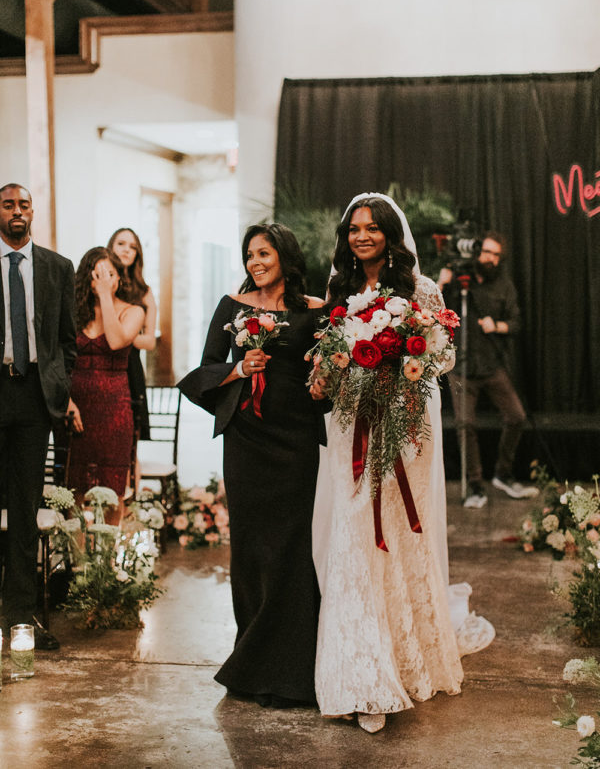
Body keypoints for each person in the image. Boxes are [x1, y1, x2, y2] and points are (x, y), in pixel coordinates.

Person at [311, 193, 485, 734]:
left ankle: (402, 663)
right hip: (349, 432)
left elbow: (444, 355)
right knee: (354, 537)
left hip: (403, 431)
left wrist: (402, 359)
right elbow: (325, 356)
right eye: (354, 228)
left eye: (372, 228)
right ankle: (359, 675)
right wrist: (329, 369)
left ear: (389, 233)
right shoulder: (338, 291)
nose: (362, 236)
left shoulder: (419, 289)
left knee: (395, 534)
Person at [178, 223, 326, 708]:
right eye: (249, 255)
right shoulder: (231, 306)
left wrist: (326, 389)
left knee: (291, 548)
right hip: (246, 442)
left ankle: (292, 670)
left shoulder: (316, 312)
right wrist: (239, 368)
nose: (255, 262)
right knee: (251, 548)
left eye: (264, 253)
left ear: (285, 256)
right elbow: (202, 371)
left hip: (296, 444)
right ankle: (251, 660)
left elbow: (327, 385)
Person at [0, 182, 76, 650]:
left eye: (24, 204)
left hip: (33, 397)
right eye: (8, 205)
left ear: (33, 212)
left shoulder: (56, 267)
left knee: (26, 509)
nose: (17, 212)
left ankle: (19, 618)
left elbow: (66, 339)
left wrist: (59, 381)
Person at [438, 232, 536, 509]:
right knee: (465, 425)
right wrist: (442, 283)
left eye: (496, 255)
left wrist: (498, 326)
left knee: (516, 416)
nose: (490, 259)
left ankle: (503, 474)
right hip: (461, 367)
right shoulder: (458, 279)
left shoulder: (503, 285)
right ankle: (475, 484)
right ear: (477, 251)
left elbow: (516, 323)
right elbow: (432, 310)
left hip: (492, 364)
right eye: (487, 252)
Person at [67, 247, 145, 524]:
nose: (103, 279)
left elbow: (115, 341)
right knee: (73, 489)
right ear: (85, 277)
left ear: (118, 279)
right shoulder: (73, 312)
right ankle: (77, 563)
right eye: (96, 273)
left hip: (114, 409)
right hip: (75, 410)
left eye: (109, 274)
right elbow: (57, 359)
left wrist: (104, 297)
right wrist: (65, 401)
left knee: (113, 490)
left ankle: (107, 564)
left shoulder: (134, 311)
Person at [107, 228, 157, 447]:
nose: (127, 250)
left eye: (133, 246)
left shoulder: (144, 291)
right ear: (110, 247)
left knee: (130, 436)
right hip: (102, 363)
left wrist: (124, 335)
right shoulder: (101, 285)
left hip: (130, 366)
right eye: (121, 244)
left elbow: (149, 341)